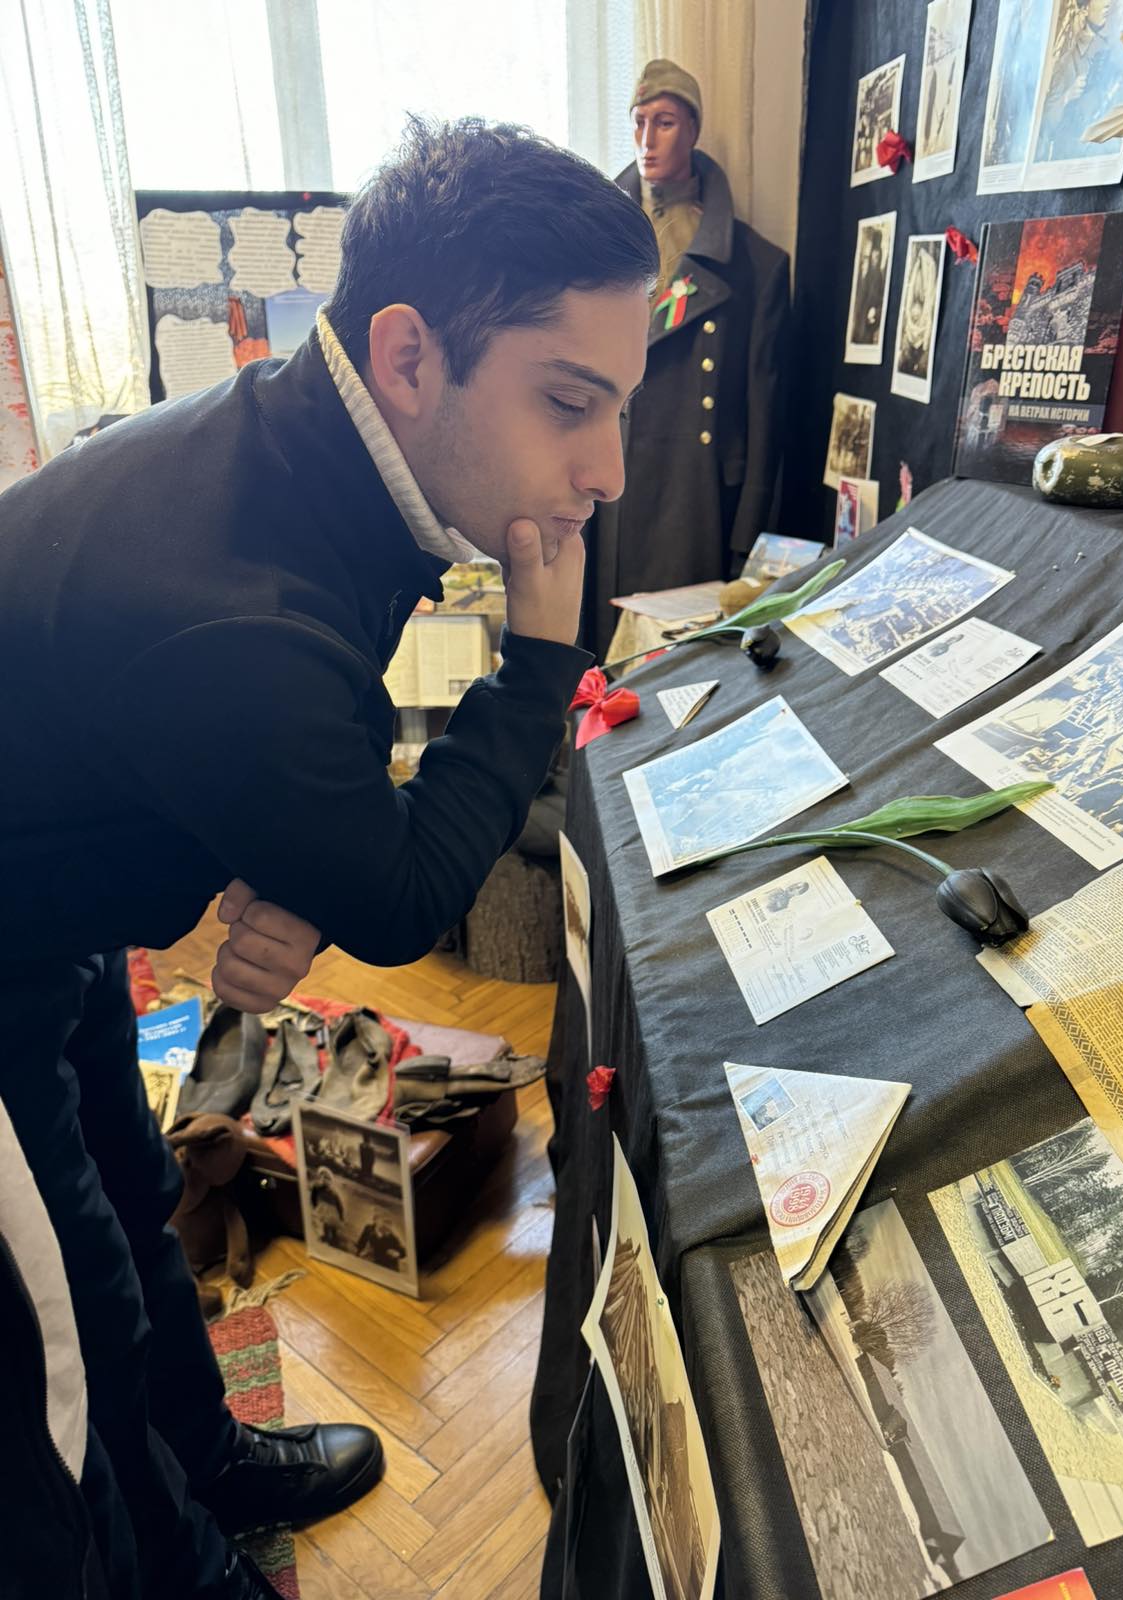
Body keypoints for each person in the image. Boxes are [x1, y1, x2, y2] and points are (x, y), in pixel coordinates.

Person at [0, 117, 656, 1600]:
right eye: (570, 401)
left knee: (126, 1200)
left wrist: (293, 846)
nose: (609, 468)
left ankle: (207, 1457)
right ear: (411, 355)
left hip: (50, 900)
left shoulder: (308, 446)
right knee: (56, 1339)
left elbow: (307, 750)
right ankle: (178, 1571)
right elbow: (405, 898)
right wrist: (540, 663)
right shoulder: (240, 610)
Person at [583, 59, 790, 655]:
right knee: (597, 669)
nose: (648, 139)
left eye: (666, 122)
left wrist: (748, 539)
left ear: (693, 130)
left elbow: (764, 419)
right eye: (639, 122)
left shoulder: (754, 267)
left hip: (694, 504)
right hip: (604, 488)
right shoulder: (589, 249)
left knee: (679, 673)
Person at [354, 1208, 408, 1273]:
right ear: (376, 1220)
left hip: (381, 1267)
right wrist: (358, 1254)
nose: (387, 1225)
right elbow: (360, 1243)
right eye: (385, 1221)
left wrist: (398, 1254)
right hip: (365, 1260)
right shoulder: (368, 1228)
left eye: (389, 1223)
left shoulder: (391, 1237)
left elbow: (403, 1251)